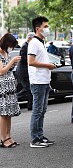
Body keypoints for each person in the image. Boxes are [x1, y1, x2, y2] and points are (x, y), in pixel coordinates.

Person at [28, 16, 56, 148]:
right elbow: (31, 61)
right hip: (38, 81)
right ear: (37, 29)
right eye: (45, 27)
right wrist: (47, 65)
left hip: (44, 80)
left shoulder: (41, 42)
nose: (47, 29)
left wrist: (49, 65)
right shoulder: (34, 42)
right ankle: (35, 139)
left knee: (42, 109)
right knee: (38, 110)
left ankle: (39, 135)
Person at [0, 34, 21, 148]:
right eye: (11, 45)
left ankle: (8, 136)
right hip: (3, 87)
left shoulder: (6, 53)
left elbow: (8, 69)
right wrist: (12, 60)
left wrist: (13, 64)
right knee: (3, 114)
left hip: (10, 86)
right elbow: (1, 71)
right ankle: (3, 139)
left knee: (9, 114)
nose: (11, 48)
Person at [16, 32, 35, 110]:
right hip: (23, 70)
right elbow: (24, 59)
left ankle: (30, 105)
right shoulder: (25, 46)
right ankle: (14, 99)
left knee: (28, 88)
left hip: (25, 70)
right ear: (29, 38)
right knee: (27, 89)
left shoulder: (28, 45)